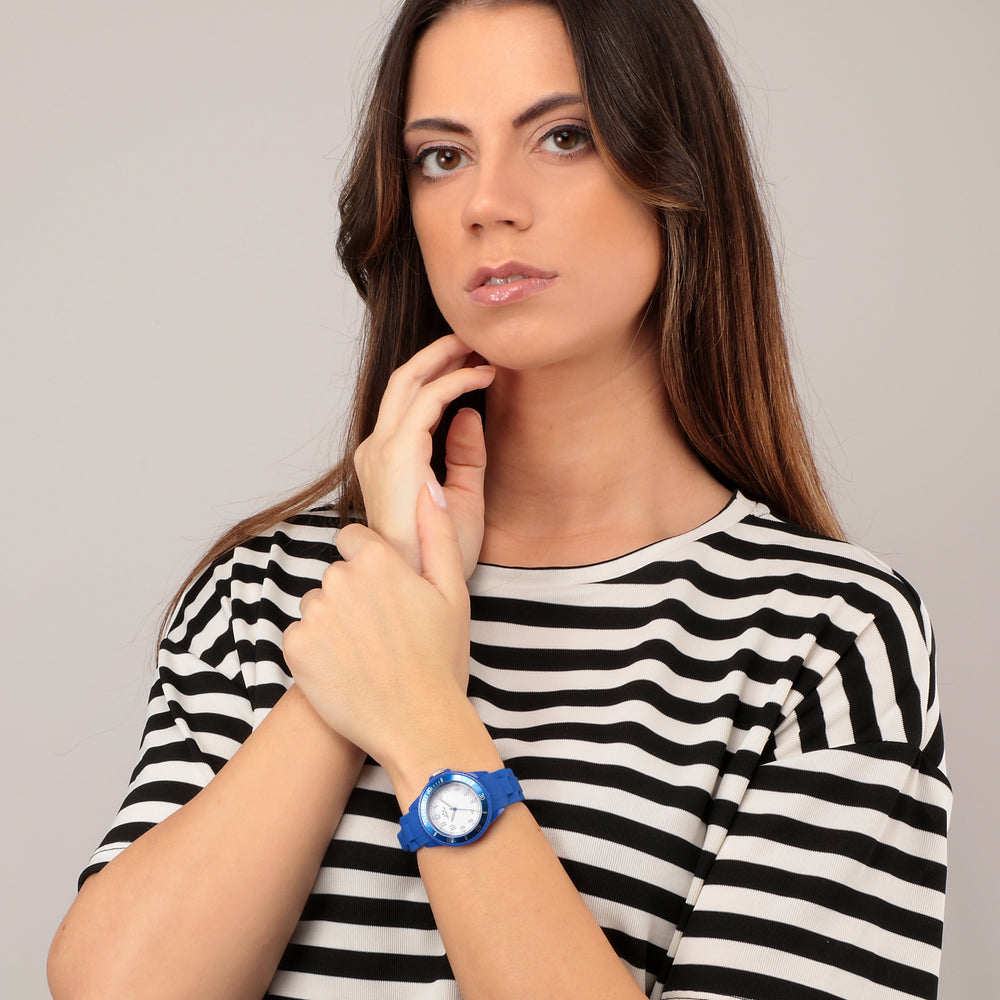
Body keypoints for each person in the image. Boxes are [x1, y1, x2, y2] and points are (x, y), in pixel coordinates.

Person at [47, 1, 950, 998]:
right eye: (441, 157)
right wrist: (369, 626)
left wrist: (423, 723)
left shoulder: (825, 638)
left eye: (563, 137)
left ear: (678, 171)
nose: (487, 202)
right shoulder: (261, 597)